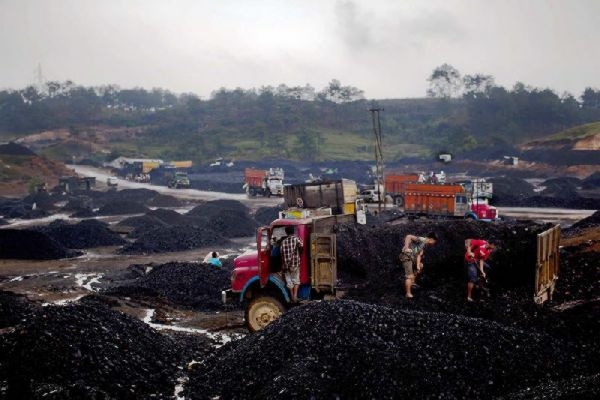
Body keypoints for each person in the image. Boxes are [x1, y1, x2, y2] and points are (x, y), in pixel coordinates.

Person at [399, 232, 438, 298]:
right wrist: (406, 248)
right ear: (431, 239)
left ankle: (412, 282)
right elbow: (408, 236)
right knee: (409, 276)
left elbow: (419, 255)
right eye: (434, 241)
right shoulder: (421, 239)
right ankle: (408, 294)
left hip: (413, 257)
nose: (433, 243)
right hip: (407, 257)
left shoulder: (424, 244)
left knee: (420, 266)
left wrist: (417, 265)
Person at [280, 225, 303, 303]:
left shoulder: (283, 242)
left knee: (289, 282)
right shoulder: (296, 239)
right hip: (295, 263)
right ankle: (295, 296)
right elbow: (301, 246)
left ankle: (292, 296)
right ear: (293, 231)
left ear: (286, 232)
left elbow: (281, 253)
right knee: (296, 281)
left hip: (286, 266)